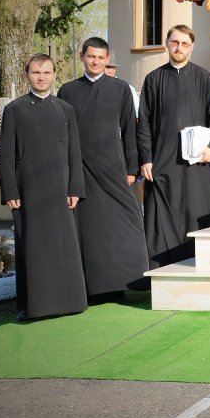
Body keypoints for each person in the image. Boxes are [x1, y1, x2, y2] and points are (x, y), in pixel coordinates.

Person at [0, 54, 87, 319]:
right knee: (33, 248)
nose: (41, 77)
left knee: (63, 247)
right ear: (27, 74)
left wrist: (75, 189)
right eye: (36, 72)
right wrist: (10, 191)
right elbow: (5, 154)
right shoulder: (14, 109)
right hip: (28, 191)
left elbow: (74, 152)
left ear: (54, 74)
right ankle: (34, 306)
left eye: (46, 72)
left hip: (60, 190)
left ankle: (68, 303)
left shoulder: (65, 109)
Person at [58, 38, 148, 299]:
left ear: (107, 59)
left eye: (101, 57)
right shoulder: (68, 90)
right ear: (83, 57)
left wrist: (132, 169)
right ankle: (92, 288)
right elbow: (62, 135)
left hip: (114, 168)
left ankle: (128, 281)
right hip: (81, 169)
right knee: (89, 229)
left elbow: (130, 130)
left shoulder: (121, 89)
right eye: (91, 56)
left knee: (125, 224)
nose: (96, 61)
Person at [137, 25, 210, 269]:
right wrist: (146, 158)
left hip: (198, 164)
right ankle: (161, 271)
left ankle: (203, 267)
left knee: (197, 213)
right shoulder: (153, 80)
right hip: (161, 163)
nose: (179, 48)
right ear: (167, 43)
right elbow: (143, 123)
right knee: (160, 218)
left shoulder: (204, 78)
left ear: (192, 47)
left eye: (184, 43)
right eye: (175, 42)